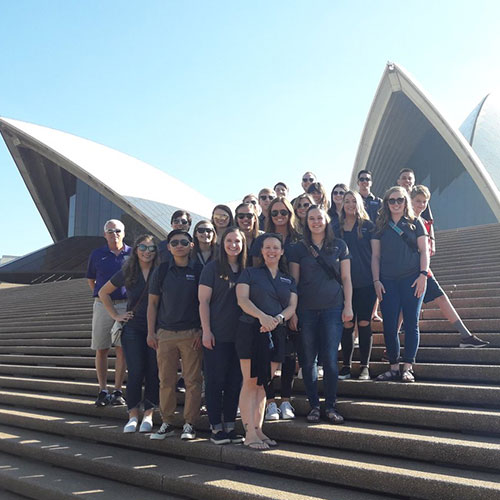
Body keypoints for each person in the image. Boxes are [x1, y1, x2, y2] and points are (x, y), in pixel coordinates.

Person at [289, 206, 353, 424]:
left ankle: (331, 405)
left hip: (333, 307)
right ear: (306, 222)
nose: (316, 222)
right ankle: (314, 405)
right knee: (308, 361)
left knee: (331, 360)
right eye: (311, 218)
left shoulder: (339, 246)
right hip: (306, 309)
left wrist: (348, 306)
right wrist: (293, 311)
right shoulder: (299, 249)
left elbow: (346, 279)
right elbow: (294, 282)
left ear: (327, 221)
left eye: (319, 218)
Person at [236, 234, 298, 450]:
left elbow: (292, 306)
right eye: (267, 247)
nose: (272, 251)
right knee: (250, 382)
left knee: (263, 384)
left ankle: (259, 429)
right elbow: (242, 299)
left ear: (282, 252)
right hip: (251, 330)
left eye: (276, 248)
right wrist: (262, 317)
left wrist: (277, 320)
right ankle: (249, 433)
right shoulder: (250, 273)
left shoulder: (288, 279)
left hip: (276, 332)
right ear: (261, 251)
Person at [411, 186, 488, 348]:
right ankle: (389, 350)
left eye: (424, 202)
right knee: (406, 309)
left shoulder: (424, 222)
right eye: (418, 201)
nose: (421, 204)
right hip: (409, 270)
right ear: (410, 201)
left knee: (439, 297)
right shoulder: (406, 221)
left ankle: (466, 336)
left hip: (422, 270)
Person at [99, 234, 160, 433]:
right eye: (143, 247)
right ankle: (133, 414)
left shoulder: (161, 270)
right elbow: (103, 292)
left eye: (151, 248)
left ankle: (149, 413)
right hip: (133, 327)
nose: (147, 252)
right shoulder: (128, 270)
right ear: (135, 249)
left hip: (158, 327)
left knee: (153, 372)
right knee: (135, 372)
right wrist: (116, 315)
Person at [147, 230, 203, 441]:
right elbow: (152, 304)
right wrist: (151, 332)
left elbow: (205, 303)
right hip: (166, 333)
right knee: (166, 381)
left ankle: (190, 423)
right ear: (169, 247)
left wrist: (202, 330)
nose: (179, 245)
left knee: (192, 381)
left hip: (191, 333)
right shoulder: (161, 271)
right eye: (174, 242)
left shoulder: (199, 270)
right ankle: (167, 422)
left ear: (191, 245)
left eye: (183, 242)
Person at [372, 186, 429, 383]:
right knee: (389, 324)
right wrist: (376, 280)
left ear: (406, 202)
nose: (396, 204)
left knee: (411, 322)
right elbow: (375, 256)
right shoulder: (379, 226)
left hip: (412, 278)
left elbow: (424, 251)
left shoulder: (416, 223)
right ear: (386, 203)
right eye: (392, 200)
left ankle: (408, 367)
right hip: (388, 281)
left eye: (400, 200)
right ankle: (394, 367)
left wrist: (423, 275)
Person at [199, 227, 247, 445]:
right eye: (229, 240)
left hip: (240, 336)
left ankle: (229, 424)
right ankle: (215, 427)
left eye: (237, 241)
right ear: (222, 243)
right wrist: (206, 331)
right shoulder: (212, 268)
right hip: (217, 335)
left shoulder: (247, 269)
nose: (233, 245)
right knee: (215, 381)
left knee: (234, 381)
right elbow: (203, 302)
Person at [260, 197, 301, 421]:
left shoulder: (296, 241)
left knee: (288, 356)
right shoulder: (262, 239)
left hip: (289, 304)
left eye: (283, 213)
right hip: (266, 307)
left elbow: (295, 279)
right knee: (267, 356)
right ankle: (270, 401)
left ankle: (286, 400)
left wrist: (292, 311)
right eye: (275, 213)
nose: (279, 217)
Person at [86, 219, 131, 407]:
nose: (114, 234)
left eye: (118, 230)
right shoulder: (97, 254)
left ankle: (118, 390)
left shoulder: (132, 254)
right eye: (110, 231)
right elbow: (91, 279)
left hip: (125, 304)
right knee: (102, 348)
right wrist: (102, 298)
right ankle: (103, 390)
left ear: (124, 233)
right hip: (103, 304)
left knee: (122, 349)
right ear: (105, 235)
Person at [337, 191, 377, 380]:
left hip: (365, 282)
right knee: (347, 322)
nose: (351, 204)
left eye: (354, 201)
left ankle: (364, 366)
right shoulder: (335, 228)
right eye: (347, 201)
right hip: (343, 283)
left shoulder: (368, 226)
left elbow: (377, 255)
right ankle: (346, 366)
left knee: (364, 322)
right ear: (342, 204)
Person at [397, 168, 435, 255]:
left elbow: (429, 221)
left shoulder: (421, 198)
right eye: (404, 178)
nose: (407, 181)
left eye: (409, 178)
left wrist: (432, 241)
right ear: (398, 181)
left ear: (413, 181)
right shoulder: (394, 199)